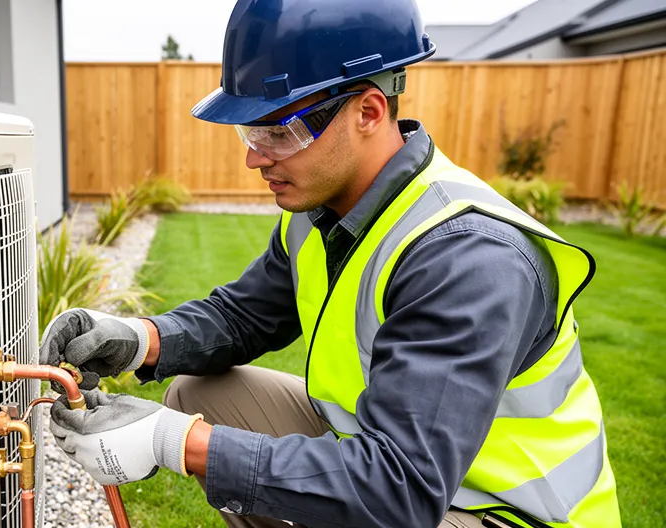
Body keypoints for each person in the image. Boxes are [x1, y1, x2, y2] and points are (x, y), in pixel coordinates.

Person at [41, 0, 622, 526]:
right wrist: (138, 339)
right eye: (250, 130)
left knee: (201, 432)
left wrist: (175, 443)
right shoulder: (321, 210)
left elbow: (399, 489)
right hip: (396, 461)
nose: (253, 158)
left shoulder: (469, 256)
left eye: (277, 131)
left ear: (368, 111)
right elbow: (245, 316)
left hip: (501, 510)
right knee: (202, 395)